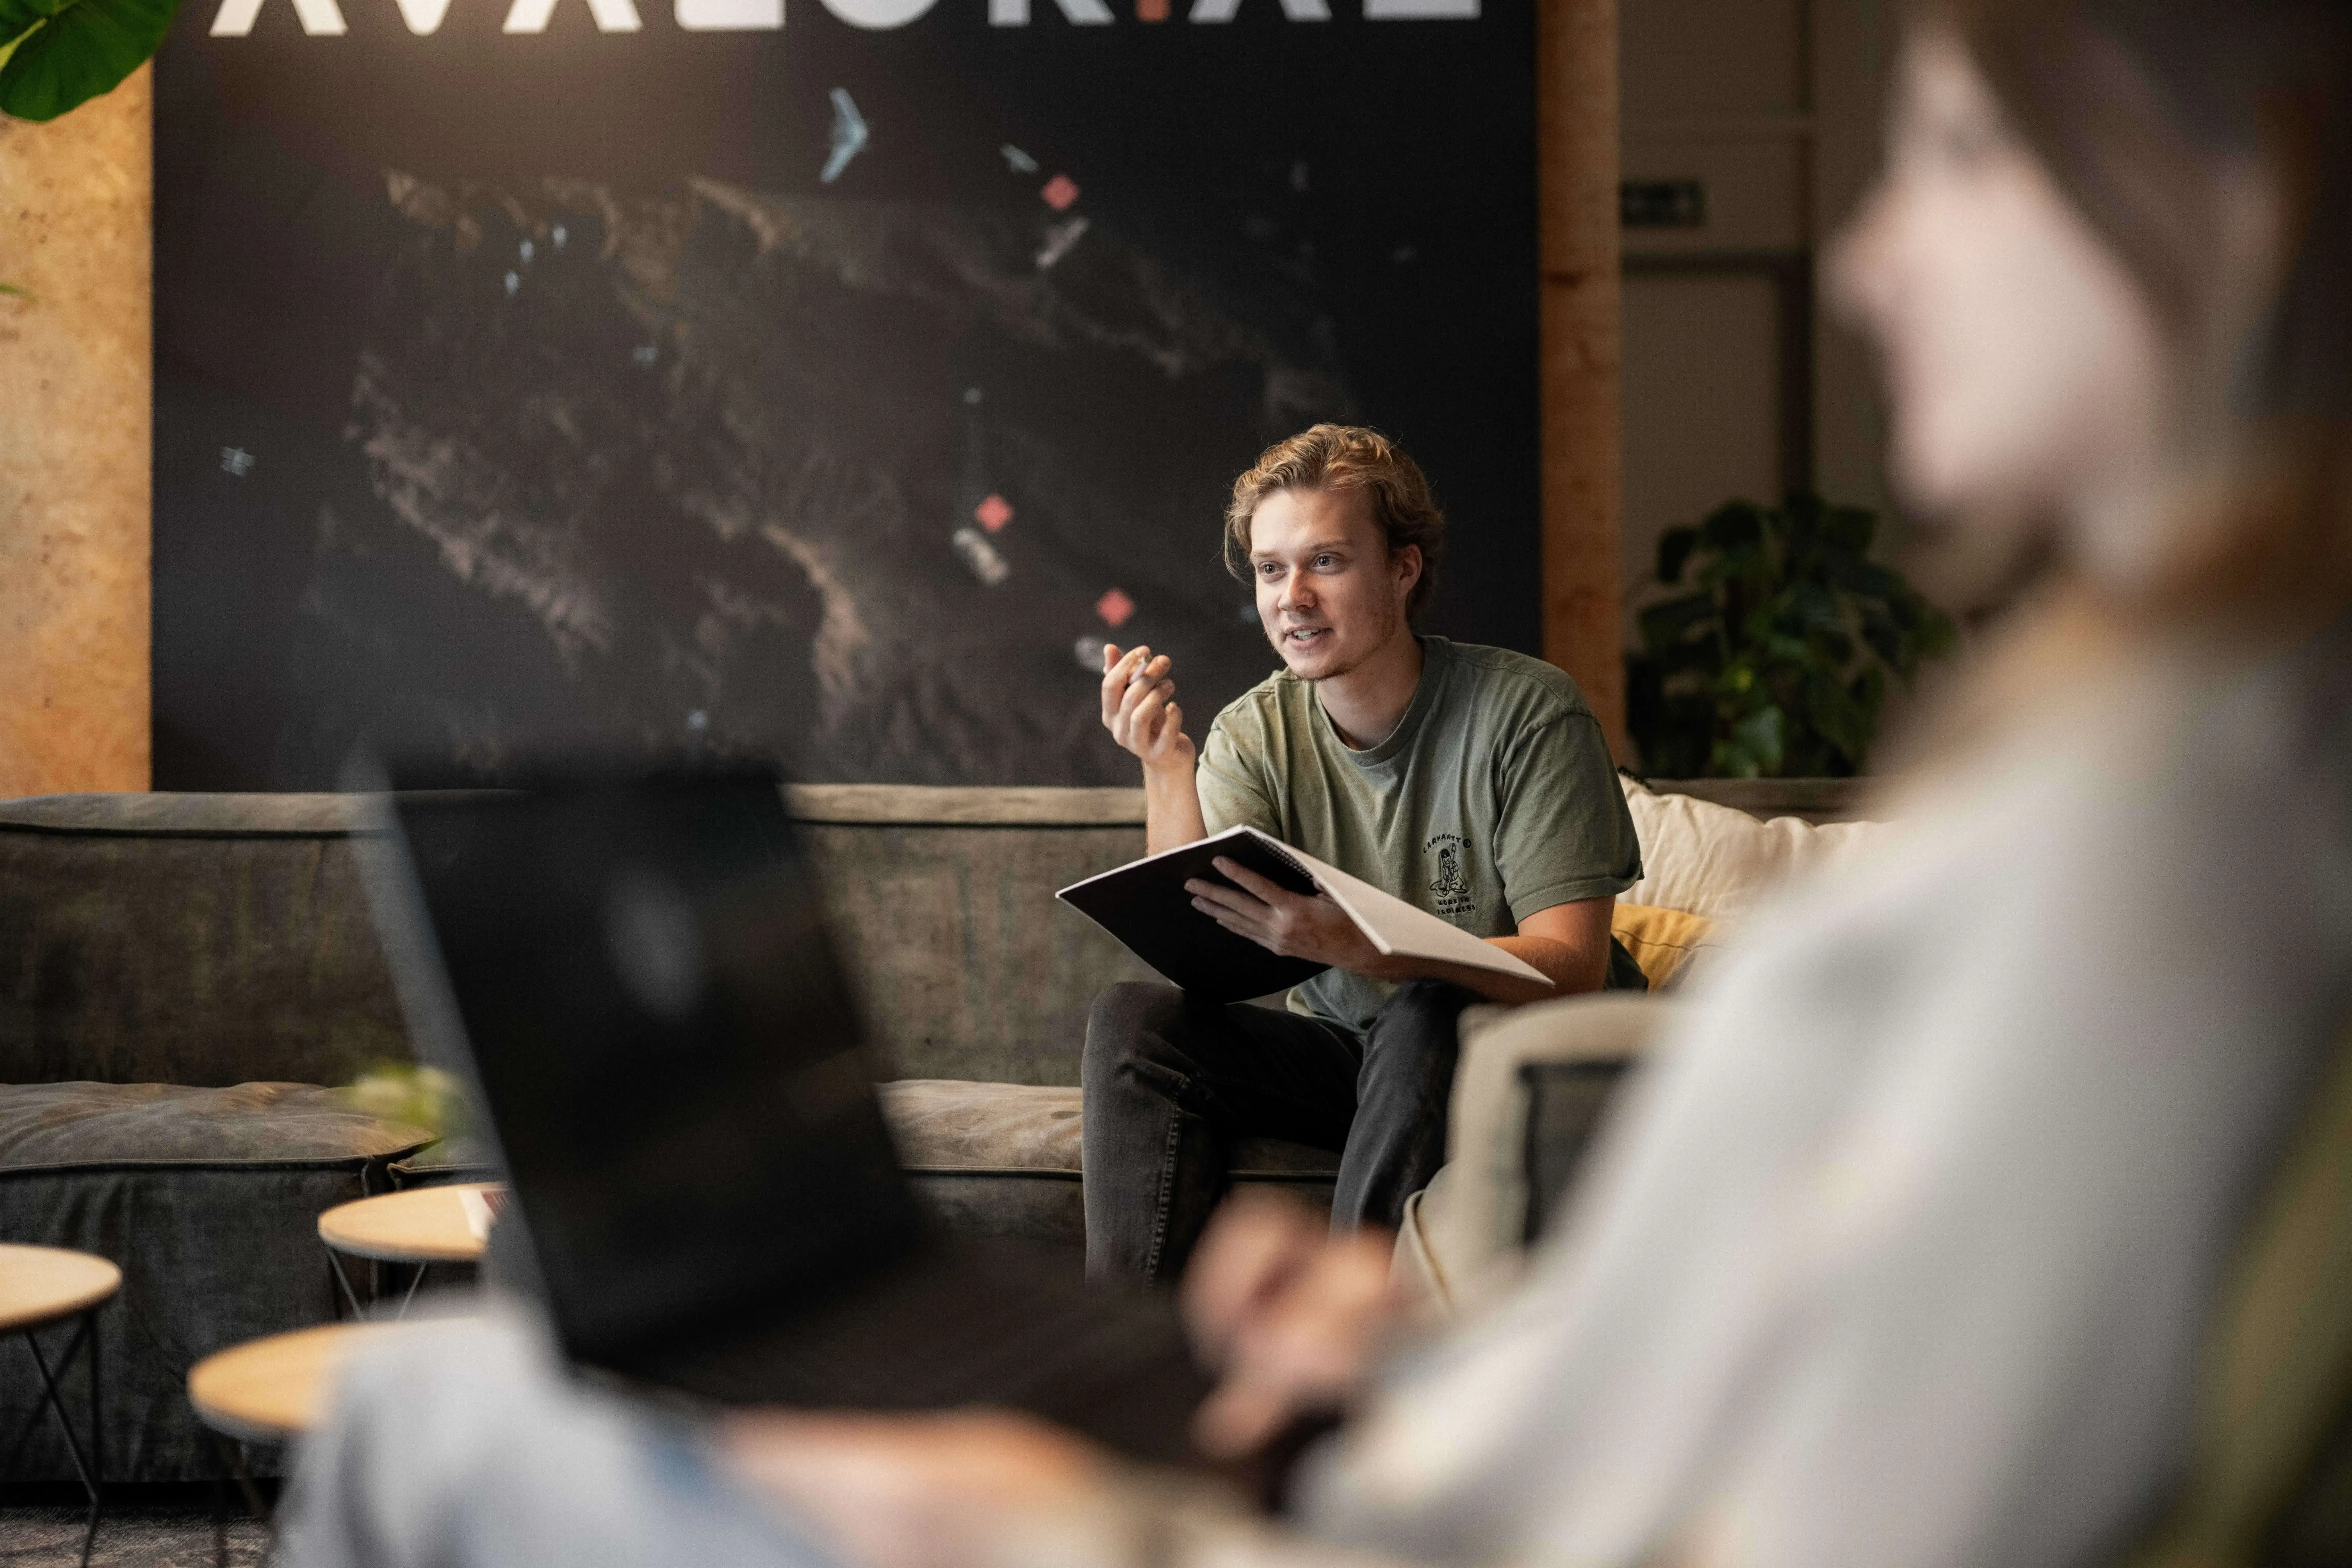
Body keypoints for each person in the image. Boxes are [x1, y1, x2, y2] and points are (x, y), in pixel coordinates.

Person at [285, 2, 2352, 1566]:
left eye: (1958, 156)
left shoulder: (2150, 865)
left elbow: (1781, 1458)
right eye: (1263, 573)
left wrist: (1061, 1504)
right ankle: (1118, 1329)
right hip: (1395, 1417)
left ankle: (1098, 1389)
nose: (1865, 258)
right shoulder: (2146, 780)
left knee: (425, 1409)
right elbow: (1228, 972)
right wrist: (1383, 1346)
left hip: (1357, 1447)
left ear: (2229, 200)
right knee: (1135, 1024)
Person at [1085, 424, 1643, 1283]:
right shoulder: (1254, 734)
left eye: (1328, 562)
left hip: (1517, 1052)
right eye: (1272, 570)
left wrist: (1362, 944)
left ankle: (1347, 1348)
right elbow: (1204, 959)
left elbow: (1570, 964)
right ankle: (1134, 1361)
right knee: (1137, 1023)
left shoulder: (1529, 711)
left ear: (1404, 568)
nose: (1292, 597)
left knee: (1425, 1001)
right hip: (1362, 1066)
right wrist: (1166, 771)